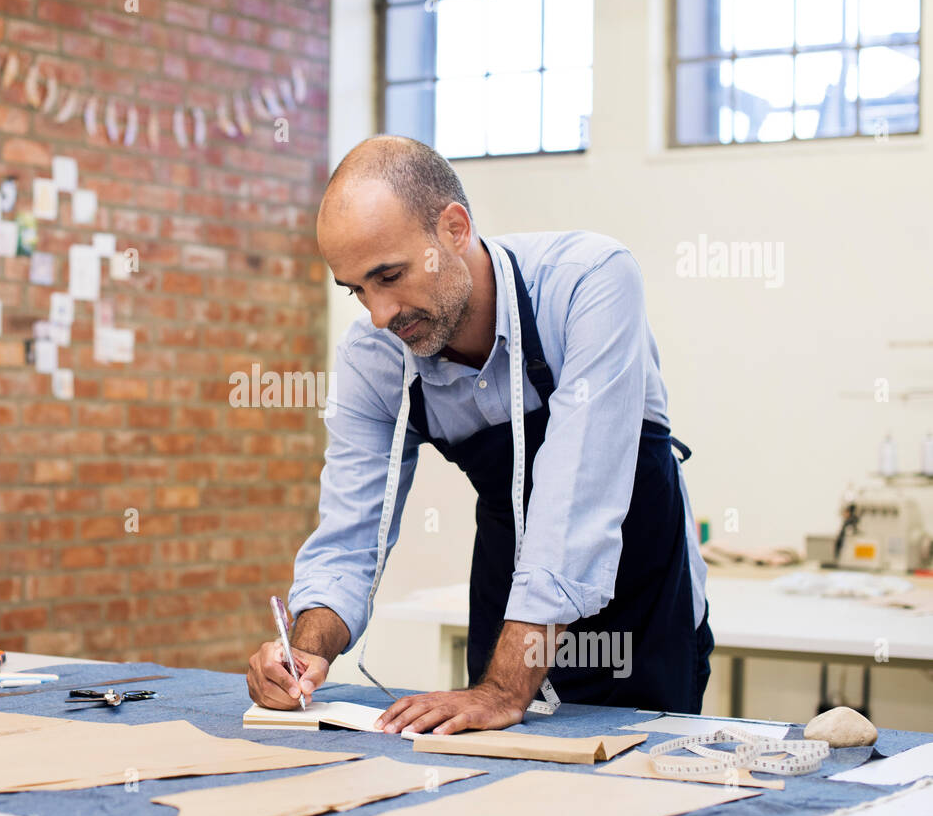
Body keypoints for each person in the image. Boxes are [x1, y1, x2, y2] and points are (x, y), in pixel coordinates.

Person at [245, 135, 713, 735]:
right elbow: (348, 536)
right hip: (510, 608)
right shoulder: (375, 357)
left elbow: (576, 502)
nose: (380, 314)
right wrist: (306, 651)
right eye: (358, 289)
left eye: (389, 275)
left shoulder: (588, 283)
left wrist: (501, 688)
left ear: (455, 229)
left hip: (641, 612)